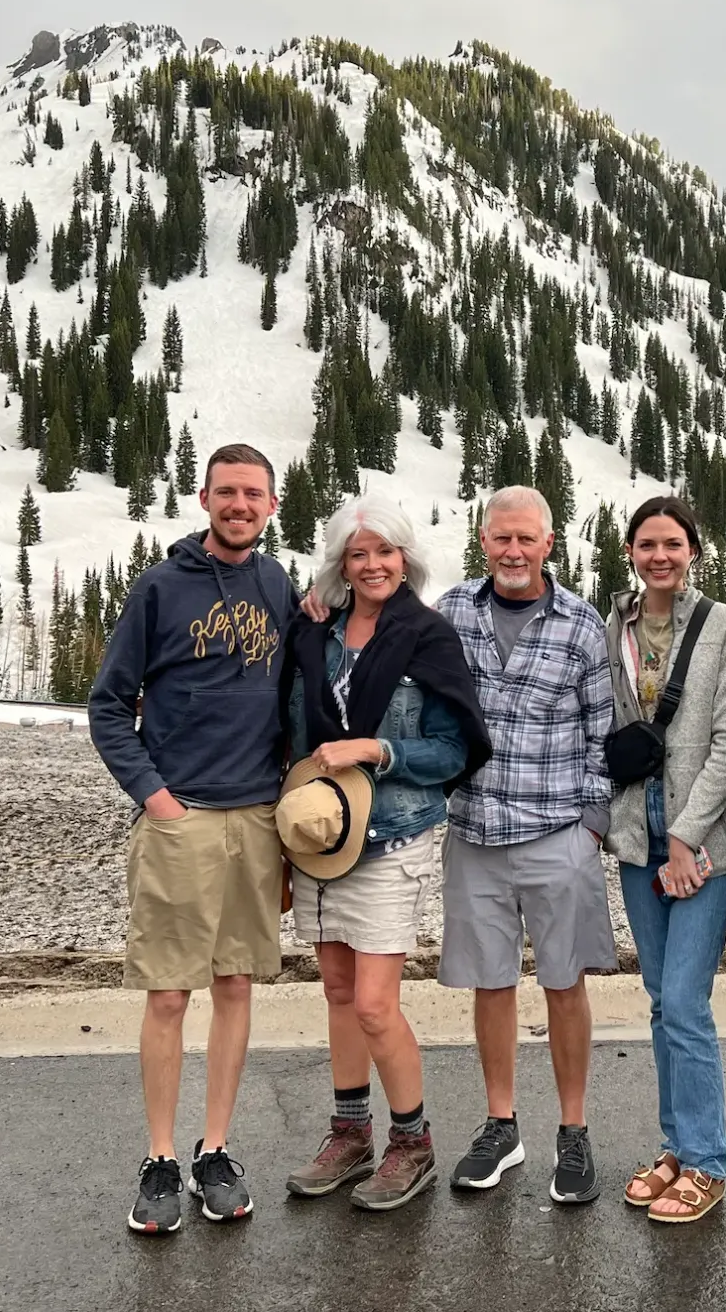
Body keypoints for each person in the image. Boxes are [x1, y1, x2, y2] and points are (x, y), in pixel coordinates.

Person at [88, 443, 299, 1234]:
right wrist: (157, 799)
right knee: (170, 992)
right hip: (182, 816)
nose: (240, 505)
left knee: (237, 985)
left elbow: (292, 691)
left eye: (254, 494)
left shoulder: (276, 584)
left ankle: (215, 1150)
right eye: (227, 492)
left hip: (256, 818)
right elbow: (109, 704)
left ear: (272, 505)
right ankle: (160, 1158)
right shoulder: (161, 587)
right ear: (203, 497)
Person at [276, 497, 492, 1212]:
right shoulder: (316, 633)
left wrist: (376, 749)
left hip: (394, 834)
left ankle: (412, 1143)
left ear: (406, 559)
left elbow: (455, 749)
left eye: (385, 552)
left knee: (373, 1003)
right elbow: (289, 724)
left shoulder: (426, 637)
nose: (372, 565)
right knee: (337, 994)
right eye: (358, 554)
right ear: (342, 563)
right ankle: (349, 1133)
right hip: (320, 835)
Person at [433, 485, 618, 1205]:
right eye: (501, 538)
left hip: (556, 831)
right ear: (485, 541)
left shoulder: (581, 625)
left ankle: (573, 1133)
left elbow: (602, 727)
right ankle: (501, 1125)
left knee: (564, 983)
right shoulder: (451, 612)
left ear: (549, 544)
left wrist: (592, 825)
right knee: (491, 981)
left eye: (527, 539)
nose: (514, 551)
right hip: (474, 830)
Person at [601, 496, 726, 1226]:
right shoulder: (615, 626)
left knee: (687, 1002)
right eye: (647, 544)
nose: (660, 556)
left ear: (693, 550)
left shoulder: (725, 628)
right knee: (662, 1005)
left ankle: (709, 1160)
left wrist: (688, 838)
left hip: (707, 847)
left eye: (673, 543)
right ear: (631, 550)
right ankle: (677, 1146)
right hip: (635, 838)